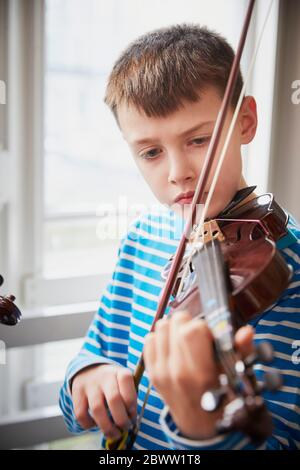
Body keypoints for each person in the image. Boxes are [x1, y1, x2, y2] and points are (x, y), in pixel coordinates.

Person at [59, 24, 300, 450]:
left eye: (199, 140)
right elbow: (93, 358)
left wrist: (203, 428)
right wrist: (87, 375)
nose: (177, 174)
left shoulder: (287, 266)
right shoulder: (143, 239)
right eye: (151, 152)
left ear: (244, 122)